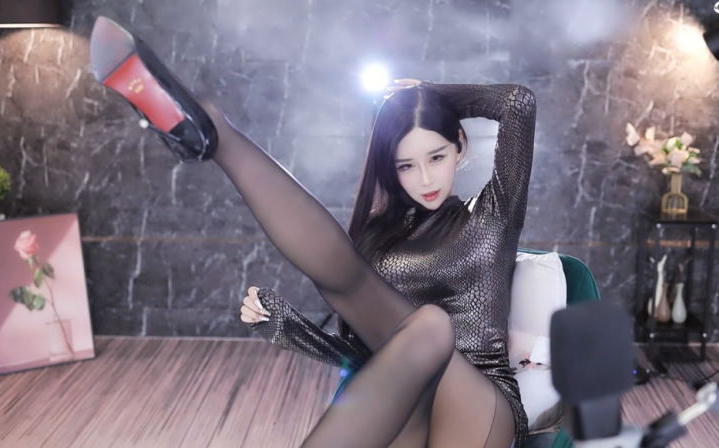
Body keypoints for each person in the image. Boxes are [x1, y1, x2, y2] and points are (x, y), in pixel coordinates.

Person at [90, 15, 535, 448]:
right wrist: (292, 329)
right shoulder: (383, 234)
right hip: (416, 402)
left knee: (430, 324)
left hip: (480, 413)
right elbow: (369, 360)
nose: (424, 179)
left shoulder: (495, 213)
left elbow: (518, 103)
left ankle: (214, 131)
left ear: (460, 146)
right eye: (406, 166)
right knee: (354, 282)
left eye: (436, 157)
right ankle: (212, 134)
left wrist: (427, 92)